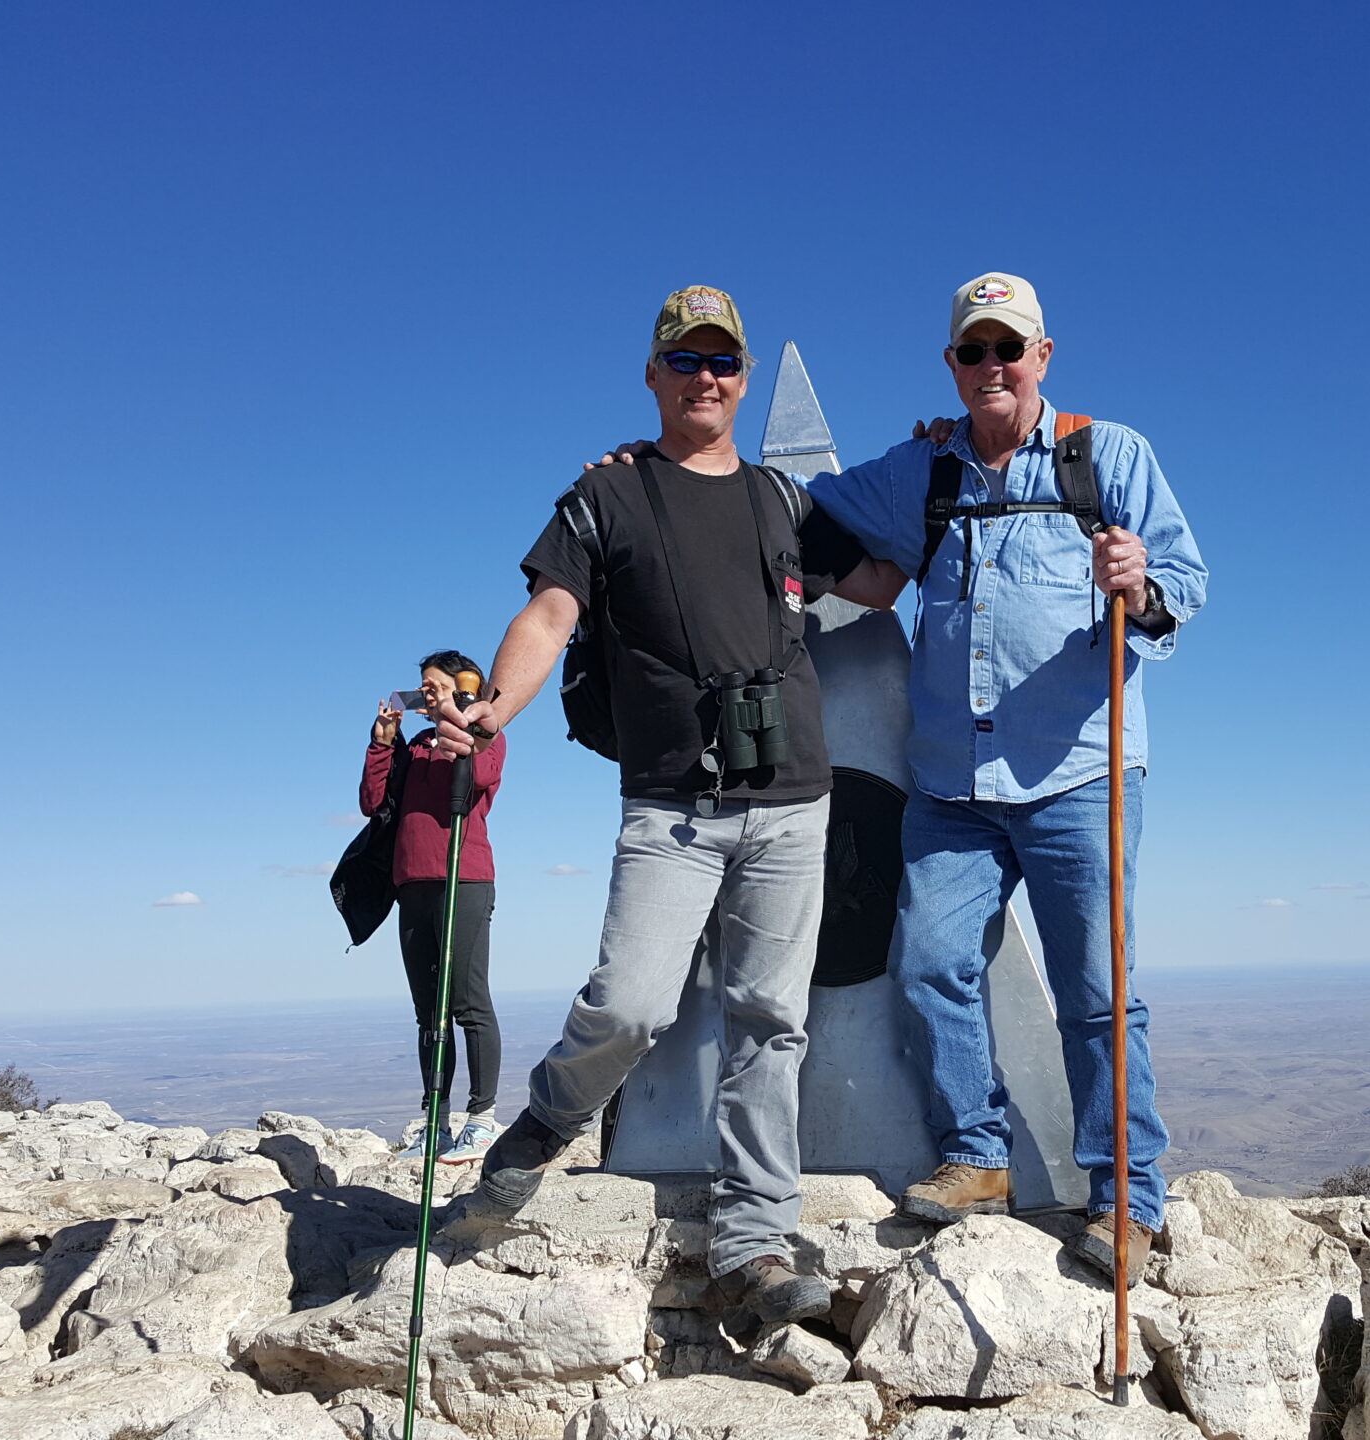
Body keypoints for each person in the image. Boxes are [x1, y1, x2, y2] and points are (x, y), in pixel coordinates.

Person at [428, 285, 903, 1326]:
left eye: (721, 362)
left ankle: (752, 1245)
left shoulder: (782, 500)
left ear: (738, 377)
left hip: (793, 799)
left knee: (772, 1023)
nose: (706, 378)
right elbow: (548, 614)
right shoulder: (606, 497)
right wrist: (492, 708)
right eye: (684, 361)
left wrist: (940, 475)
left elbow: (872, 583)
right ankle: (541, 1131)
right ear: (652, 375)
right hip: (672, 809)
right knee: (632, 1005)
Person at [801, 272, 1207, 1280]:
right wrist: (673, 469)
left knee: (1097, 994)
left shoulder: (1108, 456)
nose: (992, 367)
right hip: (951, 783)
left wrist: (1139, 588)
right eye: (973, 351)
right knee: (933, 963)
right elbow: (801, 506)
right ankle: (978, 1156)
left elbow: (1185, 587)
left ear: (1043, 356)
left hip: (1079, 773)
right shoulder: (923, 468)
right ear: (951, 364)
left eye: (1008, 349)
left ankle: (1125, 1196)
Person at [362, 650, 507, 1163]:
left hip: (462, 879)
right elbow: (373, 802)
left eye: (434, 686)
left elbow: (480, 780)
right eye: (422, 687)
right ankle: (436, 1120)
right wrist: (384, 745)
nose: (425, 693)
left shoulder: (483, 735)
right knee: (429, 1010)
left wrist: (459, 730)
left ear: (462, 687)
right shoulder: (417, 744)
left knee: (468, 1002)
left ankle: (483, 1120)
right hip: (413, 884)